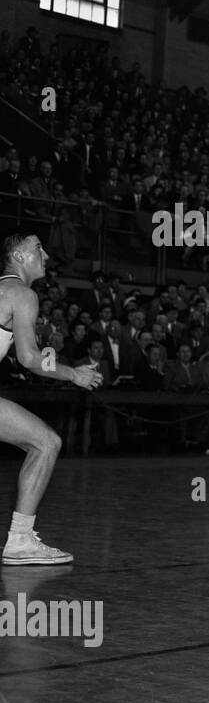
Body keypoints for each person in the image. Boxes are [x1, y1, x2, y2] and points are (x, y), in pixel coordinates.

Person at [0, 235, 103, 564]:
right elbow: (29, 358)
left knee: (44, 442)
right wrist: (74, 374)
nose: (44, 253)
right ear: (19, 256)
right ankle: (19, 540)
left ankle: (20, 539)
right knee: (45, 442)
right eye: (37, 249)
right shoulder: (22, 294)